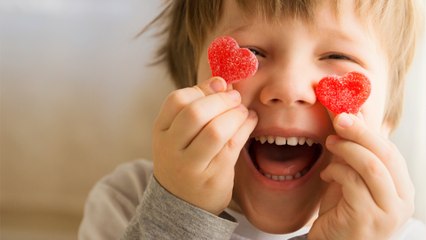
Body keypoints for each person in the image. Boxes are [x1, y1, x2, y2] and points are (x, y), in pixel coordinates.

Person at [78, 0, 426, 239]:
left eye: (337, 55)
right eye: (253, 52)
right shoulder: (129, 201)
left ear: (387, 120)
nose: (289, 89)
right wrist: (178, 214)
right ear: (190, 92)